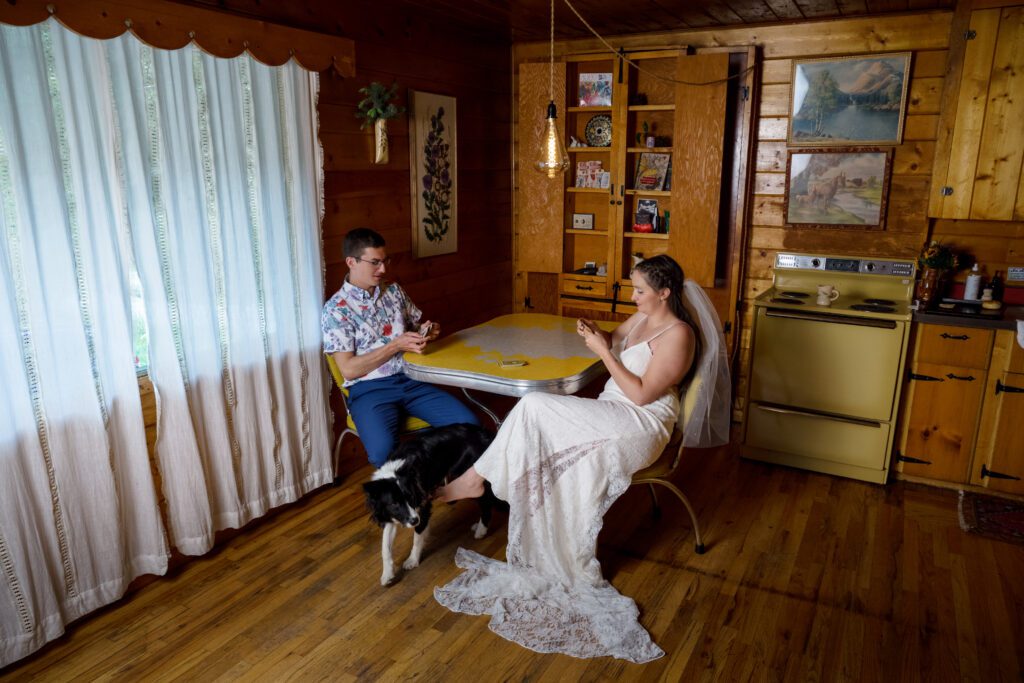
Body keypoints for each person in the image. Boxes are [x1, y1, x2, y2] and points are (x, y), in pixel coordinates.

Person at [433, 254, 730, 663]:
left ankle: (476, 478)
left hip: (641, 423)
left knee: (535, 405)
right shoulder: (641, 316)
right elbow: (613, 338)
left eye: (640, 290)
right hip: (612, 409)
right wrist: (596, 334)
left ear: (664, 293)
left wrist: (602, 353)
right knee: (539, 425)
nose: (633, 295)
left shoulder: (679, 334)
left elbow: (643, 394)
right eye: (633, 287)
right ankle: (483, 481)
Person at [321, 227, 479, 467]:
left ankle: (447, 482)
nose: (383, 269)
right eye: (375, 262)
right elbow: (349, 370)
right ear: (351, 262)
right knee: (382, 454)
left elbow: (414, 330)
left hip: (412, 379)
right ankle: (411, 491)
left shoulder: (393, 291)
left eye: (385, 261)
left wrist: (428, 332)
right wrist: (395, 346)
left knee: (469, 425)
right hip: (369, 390)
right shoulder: (336, 310)